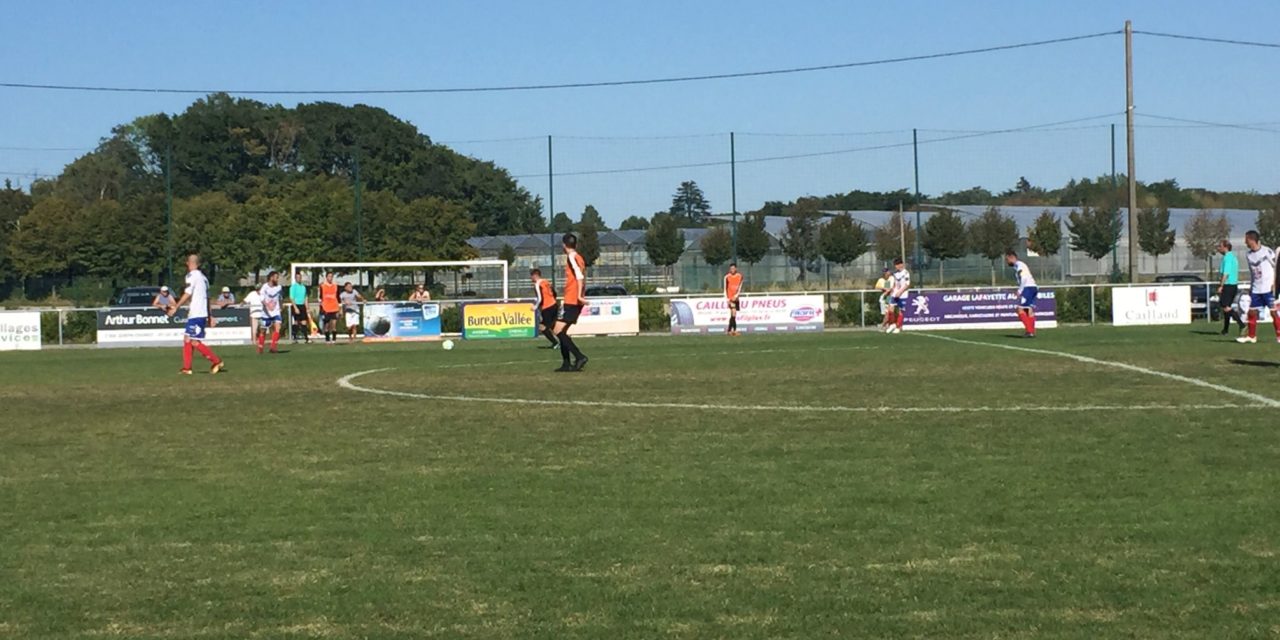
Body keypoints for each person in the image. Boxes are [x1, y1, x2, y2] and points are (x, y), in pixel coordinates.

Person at [167, 254, 224, 375]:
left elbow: (188, 292)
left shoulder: (191, 276)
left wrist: (176, 307)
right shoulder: (204, 278)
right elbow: (207, 298)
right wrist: (210, 315)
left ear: (188, 263)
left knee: (193, 341)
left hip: (196, 313)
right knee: (187, 339)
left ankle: (216, 361)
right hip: (201, 313)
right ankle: (187, 368)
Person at [552, 233, 589, 372]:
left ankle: (579, 356)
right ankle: (566, 363)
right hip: (574, 299)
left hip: (573, 299)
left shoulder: (572, 257)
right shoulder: (579, 257)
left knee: (557, 330)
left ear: (564, 245)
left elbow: (579, 276)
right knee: (562, 331)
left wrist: (579, 296)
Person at [1237, 230, 1279, 344]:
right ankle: (1251, 336)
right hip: (1256, 288)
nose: (1245, 242)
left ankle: (1279, 336)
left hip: (1268, 288)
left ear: (1251, 239)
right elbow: (1252, 272)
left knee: (1273, 312)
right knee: (1252, 312)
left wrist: (1275, 283)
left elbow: (1277, 268)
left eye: (1246, 239)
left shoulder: (1267, 252)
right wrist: (1251, 286)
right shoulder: (1249, 255)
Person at [1005, 250, 1038, 338]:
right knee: (1028, 310)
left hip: (1028, 287)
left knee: (1020, 309)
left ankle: (1029, 331)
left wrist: (1020, 290)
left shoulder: (1019, 265)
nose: (1007, 262)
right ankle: (1031, 331)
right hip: (1033, 287)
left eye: (1007, 259)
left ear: (1012, 257)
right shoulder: (1019, 266)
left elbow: (1024, 278)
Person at [1217, 240, 1244, 336]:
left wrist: (1221, 285)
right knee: (1226, 308)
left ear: (1226, 247)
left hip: (1228, 285)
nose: (1218, 248)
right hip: (1233, 285)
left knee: (1225, 306)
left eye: (1220, 246)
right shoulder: (1233, 257)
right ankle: (1225, 330)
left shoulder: (1227, 258)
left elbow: (1226, 273)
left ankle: (1242, 324)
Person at [531, 268, 559, 348]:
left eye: (532, 276)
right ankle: (562, 341)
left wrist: (535, 306)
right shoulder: (546, 282)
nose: (531, 278)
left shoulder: (537, 284)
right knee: (553, 326)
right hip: (554, 305)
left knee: (542, 327)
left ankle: (555, 343)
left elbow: (540, 298)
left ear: (535, 275)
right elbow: (554, 293)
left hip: (547, 307)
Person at [257, 271, 284, 354]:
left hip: (276, 311)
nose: (277, 279)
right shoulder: (265, 287)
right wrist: (267, 305)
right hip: (266, 312)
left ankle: (273, 347)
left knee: (278, 327)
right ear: (271, 278)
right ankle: (260, 347)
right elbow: (261, 299)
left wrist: (281, 306)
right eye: (276, 277)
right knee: (263, 331)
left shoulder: (279, 287)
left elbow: (280, 297)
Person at [885, 258, 910, 335]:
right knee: (890, 309)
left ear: (902, 264)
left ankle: (898, 327)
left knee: (900, 311)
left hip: (903, 294)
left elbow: (907, 284)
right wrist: (889, 289)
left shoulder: (906, 273)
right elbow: (889, 281)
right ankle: (892, 324)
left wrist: (900, 292)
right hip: (894, 294)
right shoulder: (895, 273)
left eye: (898, 265)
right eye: (896, 265)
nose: (897, 266)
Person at [318, 272, 340, 345]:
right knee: (326, 325)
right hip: (326, 308)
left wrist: (339, 307)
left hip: (334, 308)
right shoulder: (322, 286)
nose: (330, 278)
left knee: (334, 325)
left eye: (331, 276)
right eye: (329, 276)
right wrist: (321, 307)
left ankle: (334, 340)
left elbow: (337, 297)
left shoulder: (335, 286)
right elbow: (320, 298)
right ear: (326, 277)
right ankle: (327, 340)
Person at [288, 272, 310, 344]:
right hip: (296, 305)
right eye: (297, 277)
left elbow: (305, 297)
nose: (299, 279)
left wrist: (307, 307)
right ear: (295, 278)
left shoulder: (303, 287)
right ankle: (294, 337)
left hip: (302, 305)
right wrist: (295, 307)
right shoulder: (293, 287)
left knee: (304, 322)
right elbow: (291, 298)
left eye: (300, 277)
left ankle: (306, 338)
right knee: (297, 322)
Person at [724, 263, 744, 336]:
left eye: (733, 268)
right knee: (734, 312)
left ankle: (729, 330)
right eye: (731, 269)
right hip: (730, 298)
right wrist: (727, 299)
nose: (732, 270)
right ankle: (734, 330)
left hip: (736, 298)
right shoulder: (727, 277)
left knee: (733, 315)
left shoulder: (740, 276)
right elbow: (725, 289)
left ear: (736, 269)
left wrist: (736, 296)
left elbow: (740, 287)